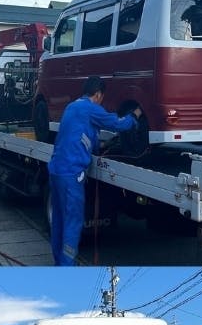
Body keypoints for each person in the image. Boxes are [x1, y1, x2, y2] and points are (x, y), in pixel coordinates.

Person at [48, 76, 141, 266]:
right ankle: (66, 268)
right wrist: (135, 116)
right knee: (73, 222)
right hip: (71, 174)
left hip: (56, 170)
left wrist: (99, 146)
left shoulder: (72, 107)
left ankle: (59, 262)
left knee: (59, 220)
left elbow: (80, 133)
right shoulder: (91, 109)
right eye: (102, 98)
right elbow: (117, 123)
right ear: (98, 94)